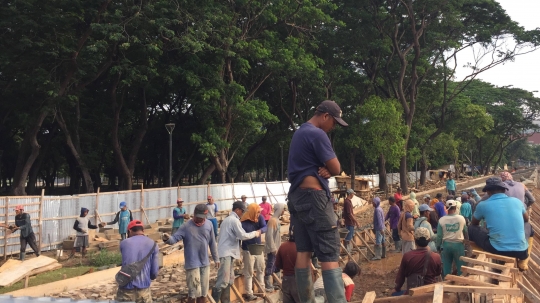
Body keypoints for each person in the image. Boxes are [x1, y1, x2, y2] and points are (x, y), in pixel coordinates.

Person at [286, 100, 348, 302]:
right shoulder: (317, 134)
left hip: (297, 197)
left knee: (303, 250)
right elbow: (337, 168)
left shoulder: (299, 133)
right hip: (315, 198)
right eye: (334, 123)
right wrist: (330, 168)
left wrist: (325, 168)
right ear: (325, 116)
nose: (333, 128)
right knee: (329, 253)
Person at [163, 204, 219, 303]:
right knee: (193, 294)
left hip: (205, 263)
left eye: (203, 218)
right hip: (192, 264)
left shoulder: (209, 224)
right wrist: (167, 238)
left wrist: (216, 258)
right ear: (194, 214)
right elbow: (174, 238)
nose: (201, 220)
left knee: (203, 294)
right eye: (198, 218)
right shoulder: (186, 226)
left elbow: (212, 243)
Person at [468, 178, 529, 260]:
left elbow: (474, 223)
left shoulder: (482, 205)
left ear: (488, 192)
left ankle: (480, 252)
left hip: (497, 250)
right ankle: (524, 260)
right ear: (504, 190)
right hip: (521, 251)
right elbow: (526, 219)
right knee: (528, 225)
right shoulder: (517, 201)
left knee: (471, 228)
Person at [212, 201, 260, 303]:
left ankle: (226, 301)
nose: (243, 213)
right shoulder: (234, 221)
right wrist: (255, 233)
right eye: (242, 211)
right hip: (226, 253)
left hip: (228, 252)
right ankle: (215, 300)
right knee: (223, 281)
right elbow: (242, 235)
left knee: (229, 281)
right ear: (237, 210)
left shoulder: (228, 220)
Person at [116, 220, 159, 303]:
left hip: (125, 290)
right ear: (143, 231)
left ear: (129, 231)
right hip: (143, 291)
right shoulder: (153, 244)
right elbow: (154, 273)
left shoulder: (124, 243)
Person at [394, 227, 442, 295]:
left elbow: (400, 278)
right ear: (429, 240)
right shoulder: (436, 257)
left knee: (395, 294)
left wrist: (396, 289)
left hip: (413, 294)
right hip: (430, 293)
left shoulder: (407, 256)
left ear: (415, 240)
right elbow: (437, 273)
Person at [241, 203, 268, 301]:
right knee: (249, 271)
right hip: (248, 249)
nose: (259, 214)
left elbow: (265, 227)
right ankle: (249, 293)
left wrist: (260, 231)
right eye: (257, 212)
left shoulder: (259, 218)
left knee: (261, 268)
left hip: (258, 248)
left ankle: (261, 289)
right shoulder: (243, 222)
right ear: (252, 212)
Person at [436, 200, 468, 278]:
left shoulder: (441, 220)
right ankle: (461, 284)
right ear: (455, 208)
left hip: (446, 245)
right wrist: (466, 243)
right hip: (459, 245)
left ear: (446, 208)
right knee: (461, 267)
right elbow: (465, 232)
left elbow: (439, 236)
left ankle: (446, 284)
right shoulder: (461, 218)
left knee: (446, 267)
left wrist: (438, 247)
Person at [264, 203, 286, 292]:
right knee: (270, 265)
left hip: (277, 248)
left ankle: (276, 283)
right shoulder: (272, 221)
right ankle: (268, 285)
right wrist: (273, 248)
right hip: (272, 249)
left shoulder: (276, 220)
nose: (284, 211)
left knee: (277, 266)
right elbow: (269, 236)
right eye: (283, 209)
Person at [276, 226, 301, 303]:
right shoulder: (301, 248)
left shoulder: (283, 246)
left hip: (286, 280)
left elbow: (278, 265)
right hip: (298, 280)